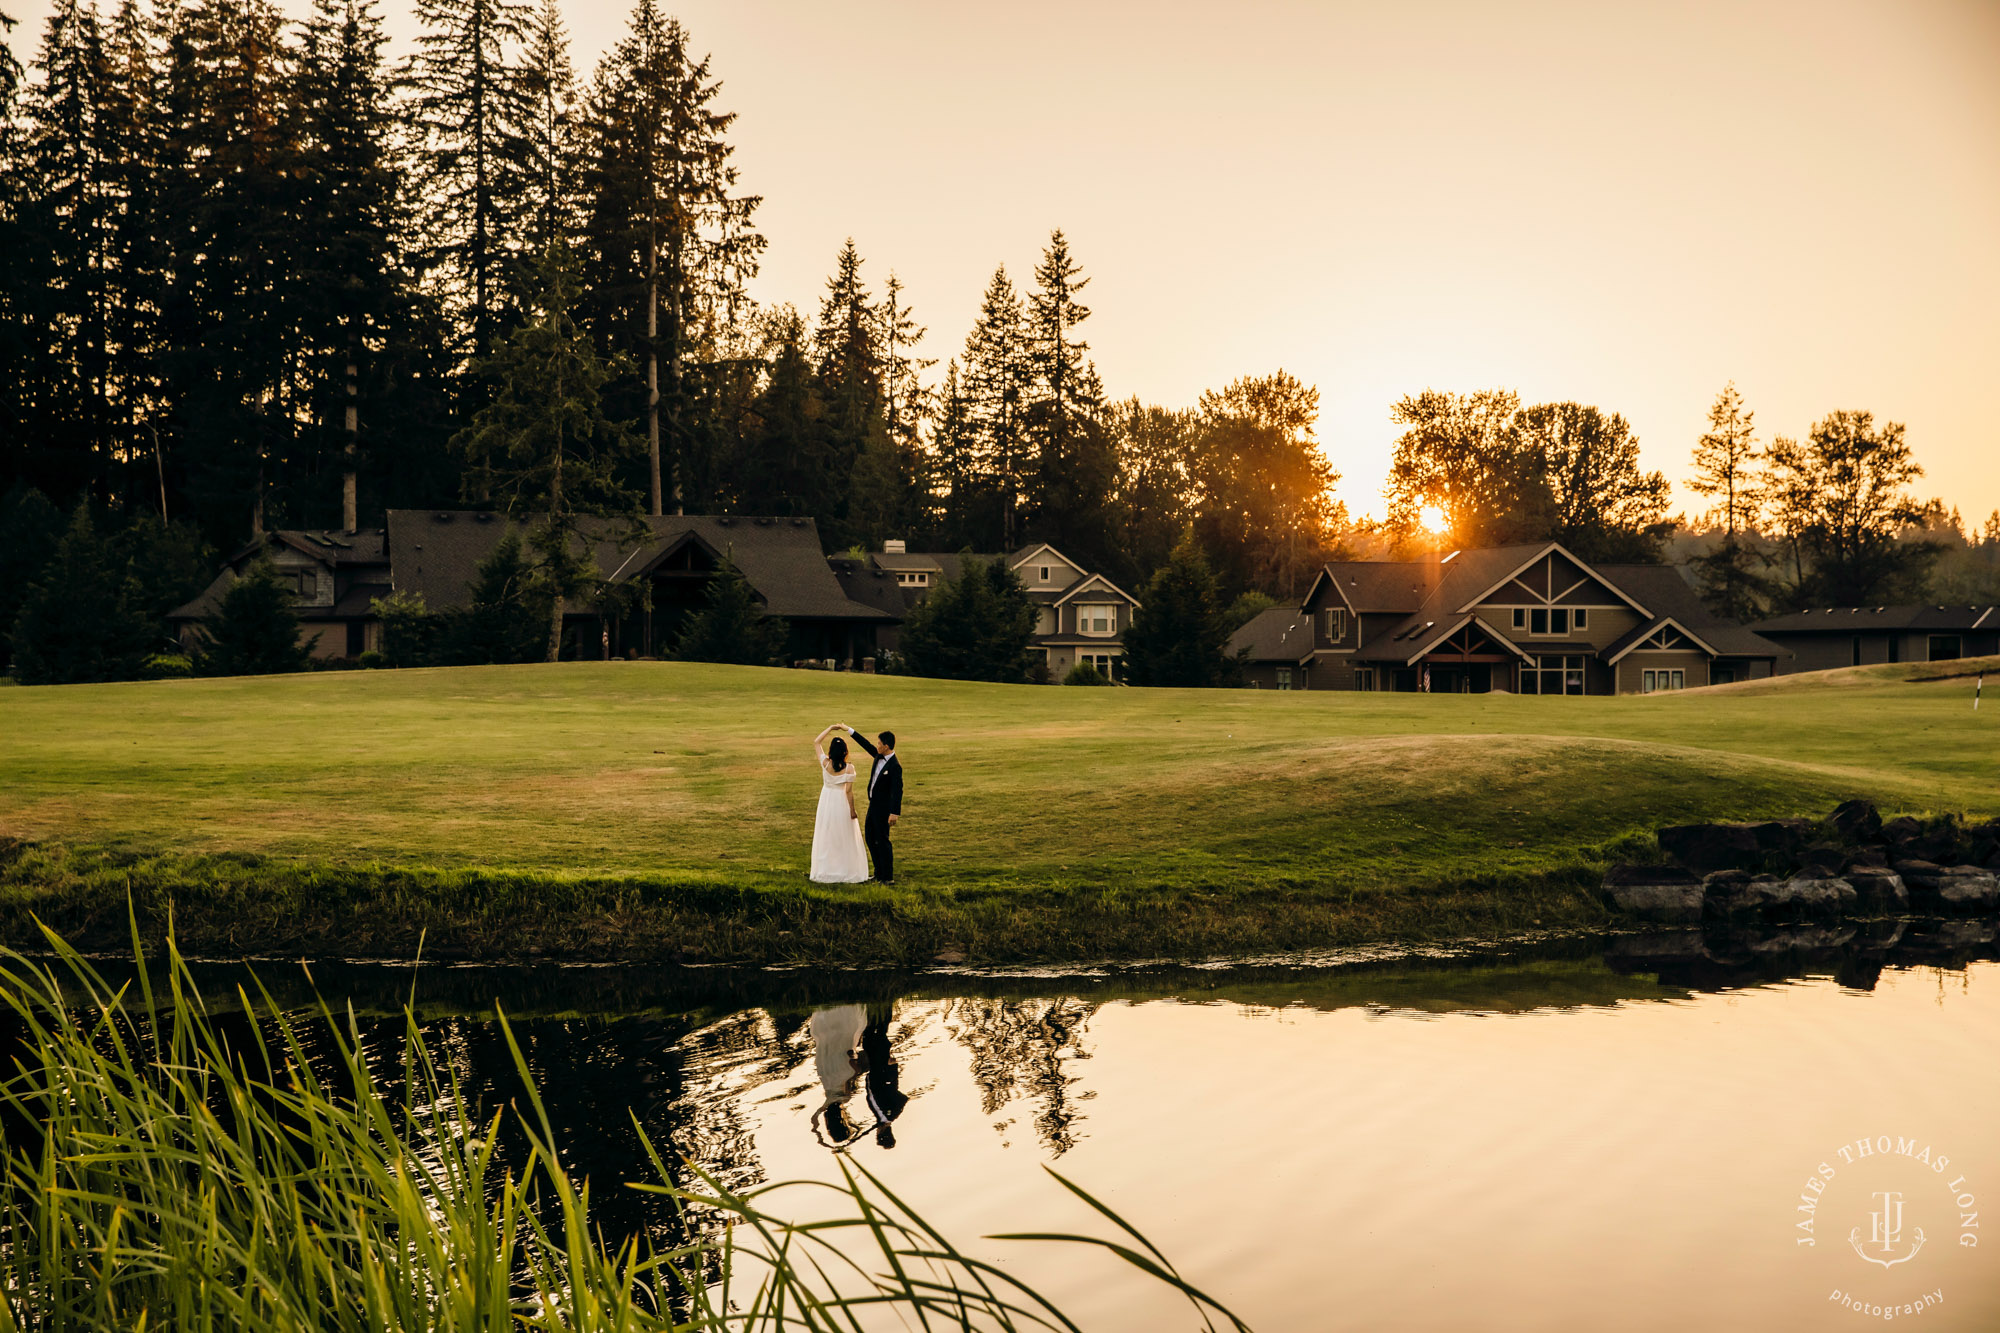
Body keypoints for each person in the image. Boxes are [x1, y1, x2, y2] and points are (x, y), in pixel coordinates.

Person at [809, 724, 869, 884]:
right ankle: (845, 869)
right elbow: (848, 792)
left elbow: (816, 742)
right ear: (845, 752)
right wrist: (852, 810)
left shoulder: (826, 764)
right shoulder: (849, 768)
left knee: (827, 834)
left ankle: (827, 869)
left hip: (826, 801)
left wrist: (829, 728)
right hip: (840, 801)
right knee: (844, 835)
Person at [842, 725, 902, 884]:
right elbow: (866, 744)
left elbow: (898, 790)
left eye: (879, 743)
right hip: (873, 806)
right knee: (870, 837)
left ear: (886, 746)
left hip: (883, 809)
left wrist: (894, 812)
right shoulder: (878, 755)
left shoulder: (895, 766)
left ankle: (887, 877)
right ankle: (878, 873)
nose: (877, 746)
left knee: (883, 840)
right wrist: (849, 730)